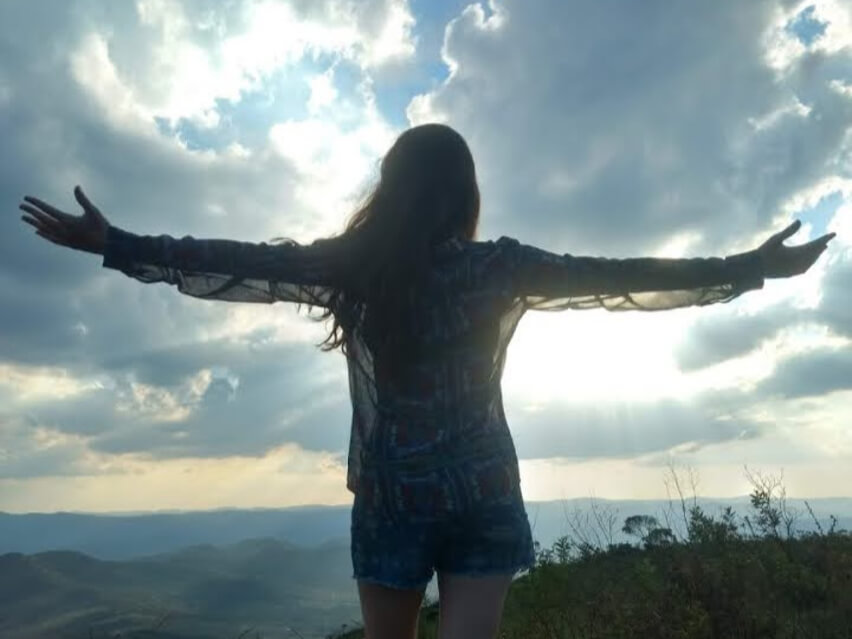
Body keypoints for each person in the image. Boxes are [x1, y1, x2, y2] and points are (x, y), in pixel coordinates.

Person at [19, 123, 836, 639]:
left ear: (392, 190)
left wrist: (117, 244)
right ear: (465, 192)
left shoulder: (356, 265)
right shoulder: (499, 267)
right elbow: (619, 273)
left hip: (393, 497)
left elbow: (236, 262)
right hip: (482, 490)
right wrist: (748, 267)